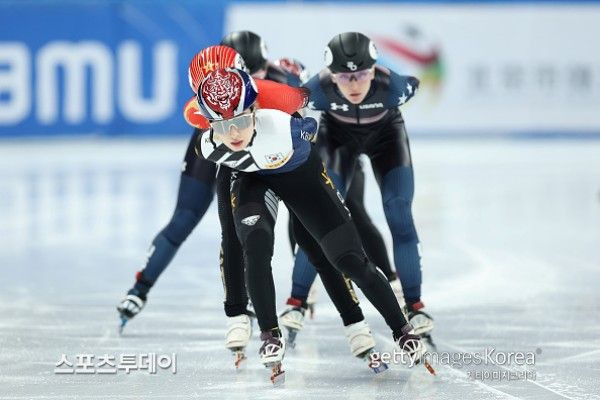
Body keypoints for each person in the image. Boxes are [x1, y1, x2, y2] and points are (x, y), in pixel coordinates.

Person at [194, 67, 425, 382]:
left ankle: (402, 330)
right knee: (256, 245)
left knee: (348, 260)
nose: (233, 134)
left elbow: (311, 121)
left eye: (241, 121)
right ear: (209, 124)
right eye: (223, 126)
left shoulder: (284, 128)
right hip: (252, 182)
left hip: (300, 177)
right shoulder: (209, 145)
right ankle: (269, 334)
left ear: (254, 110)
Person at [285, 32, 434, 344]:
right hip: (338, 140)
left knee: (398, 212)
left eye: (362, 75)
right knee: (319, 217)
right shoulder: (317, 90)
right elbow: (280, 99)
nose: (354, 85)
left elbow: (415, 83)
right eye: (344, 76)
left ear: (374, 70)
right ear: (330, 74)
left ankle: (415, 304)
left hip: (386, 139)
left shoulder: (393, 88)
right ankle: (297, 300)